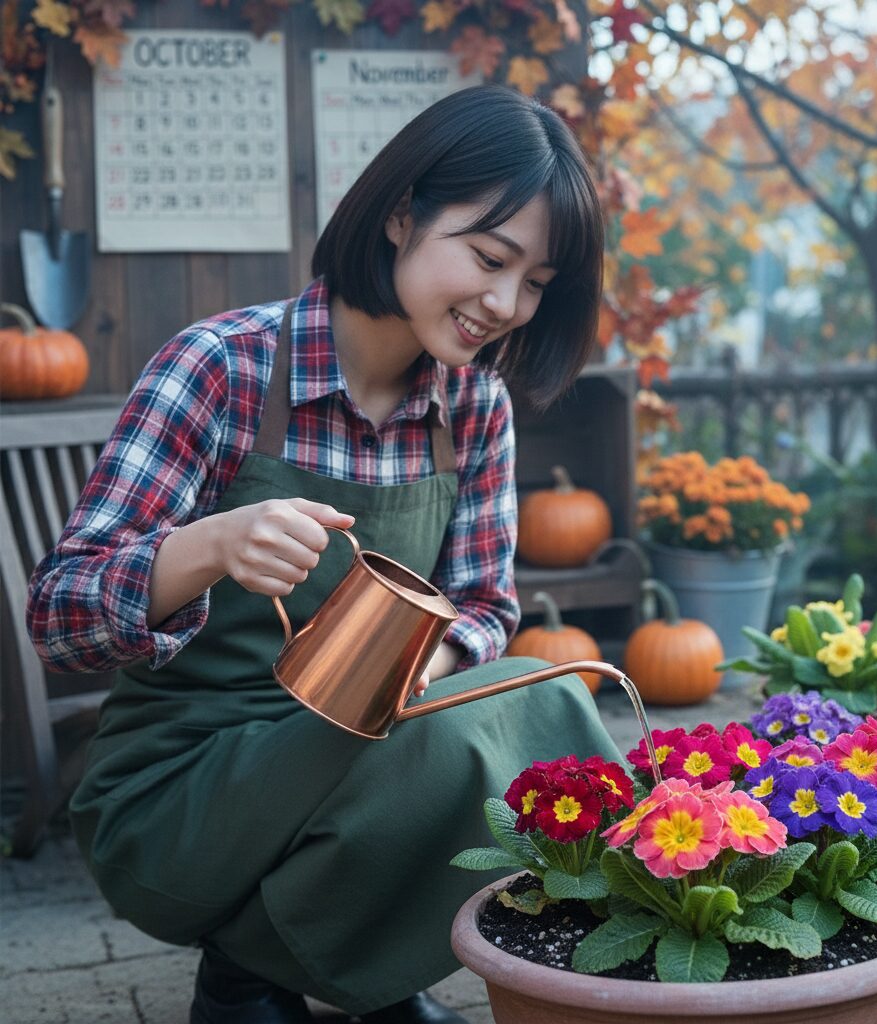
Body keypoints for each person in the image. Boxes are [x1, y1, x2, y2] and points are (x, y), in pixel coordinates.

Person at [27, 85, 622, 1024]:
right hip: (183, 788)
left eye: (537, 282)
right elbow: (59, 618)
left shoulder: (473, 408)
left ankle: (334, 970)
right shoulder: (222, 367)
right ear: (401, 214)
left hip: (358, 749)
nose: (506, 304)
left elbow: (484, 607)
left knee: (536, 699)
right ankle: (256, 969)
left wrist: (414, 670)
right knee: (460, 735)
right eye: (489, 257)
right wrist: (208, 545)